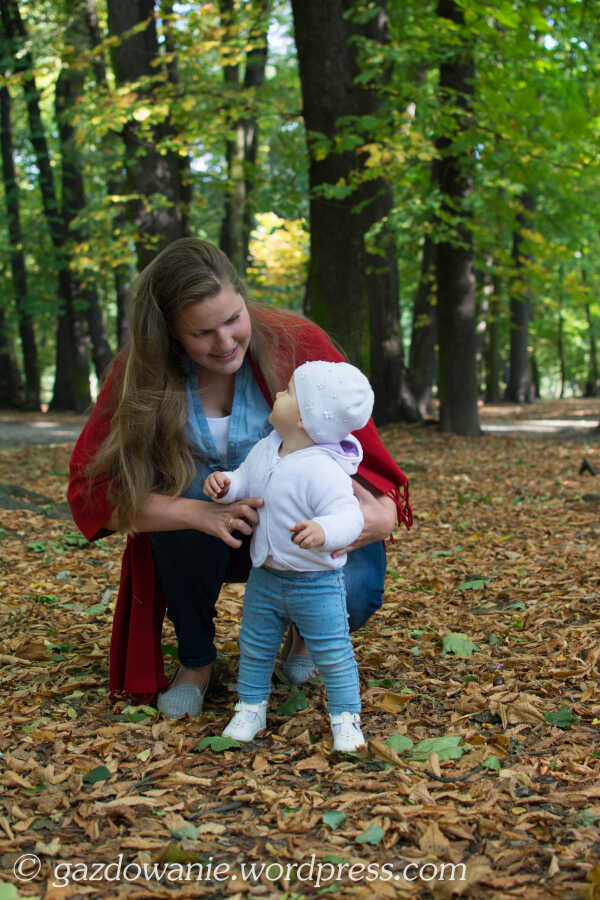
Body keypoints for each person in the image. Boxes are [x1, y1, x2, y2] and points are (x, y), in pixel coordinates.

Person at [67, 238, 412, 717]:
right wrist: (198, 512)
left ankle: (306, 637)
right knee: (179, 506)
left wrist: (383, 513)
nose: (225, 343)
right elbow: (95, 489)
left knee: (358, 589)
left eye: (233, 319)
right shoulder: (141, 373)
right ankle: (196, 661)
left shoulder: (297, 343)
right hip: (207, 540)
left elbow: (366, 454)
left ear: (243, 299)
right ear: (169, 333)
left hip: (303, 530)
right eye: (202, 333)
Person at [204, 361, 373, 750]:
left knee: (333, 652)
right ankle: (250, 707)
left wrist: (324, 531)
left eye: (289, 392)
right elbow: (246, 479)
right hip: (265, 576)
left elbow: (349, 516)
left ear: (304, 418)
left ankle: (346, 718)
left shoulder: (325, 470)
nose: (278, 393)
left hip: (316, 584)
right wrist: (226, 485)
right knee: (255, 645)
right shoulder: (268, 449)